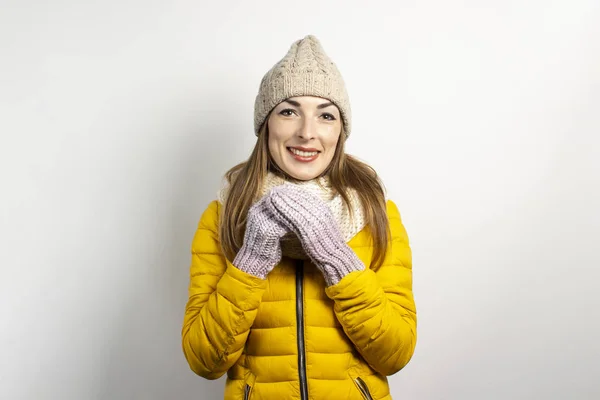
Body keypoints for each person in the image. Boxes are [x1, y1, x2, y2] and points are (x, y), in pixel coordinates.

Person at [181, 34, 417, 400]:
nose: (307, 133)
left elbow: (395, 353)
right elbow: (204, 361)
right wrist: (252, 259)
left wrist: (335, 256)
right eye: (289, 111)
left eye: (326, 115)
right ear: (266, 125)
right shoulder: (223, 215)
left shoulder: (376, 211)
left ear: (340, 131)